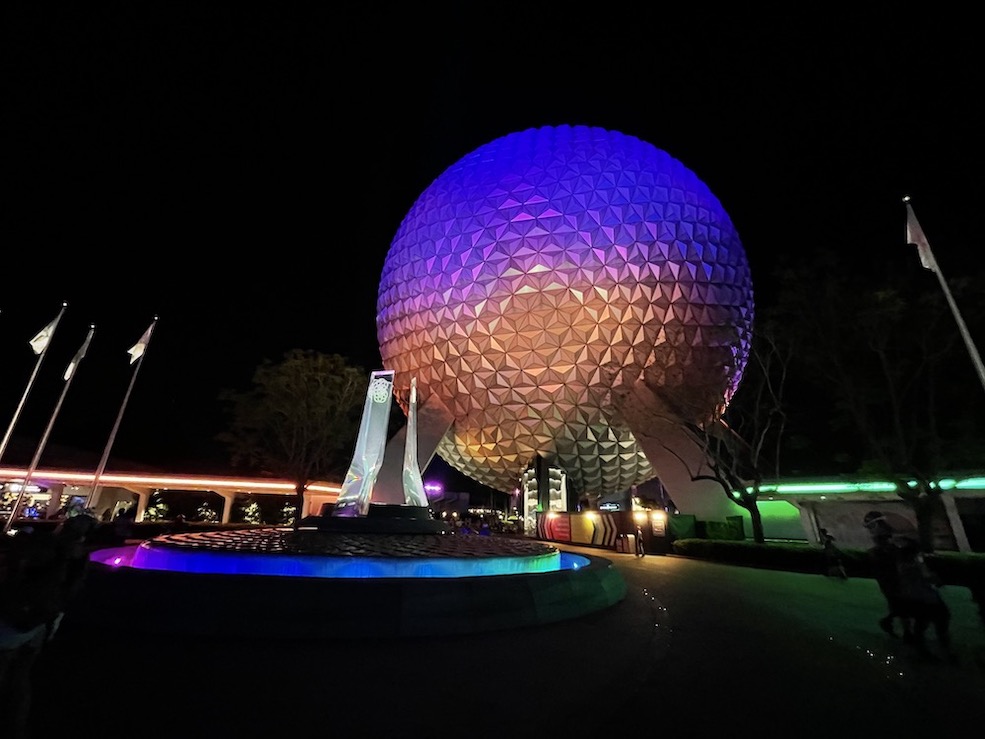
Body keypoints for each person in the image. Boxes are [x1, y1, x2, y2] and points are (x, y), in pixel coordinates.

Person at [895, 537, 953, 657]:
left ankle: (922, 649)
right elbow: (928, 577)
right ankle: (943, 648)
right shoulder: (916, 563)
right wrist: (936, 578)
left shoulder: (902, 564)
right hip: (927, 598)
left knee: (921, 623)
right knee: (941, 619)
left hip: (913, 597)